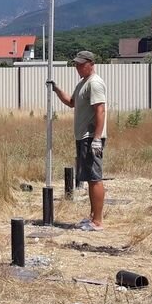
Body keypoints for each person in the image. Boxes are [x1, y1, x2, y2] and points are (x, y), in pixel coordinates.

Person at [49, 50, 108, 231]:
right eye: (76, 64)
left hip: (91, 137)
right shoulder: (83, 83)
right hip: (83, 137)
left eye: (82, 64)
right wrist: (56, 89)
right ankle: (92, 217)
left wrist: (97, 139)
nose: (78, 67)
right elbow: (71, 102)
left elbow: (100, 111)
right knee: (90, 177)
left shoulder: (95, 84)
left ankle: (97, 222)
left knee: (95, 178)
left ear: (91, 63)